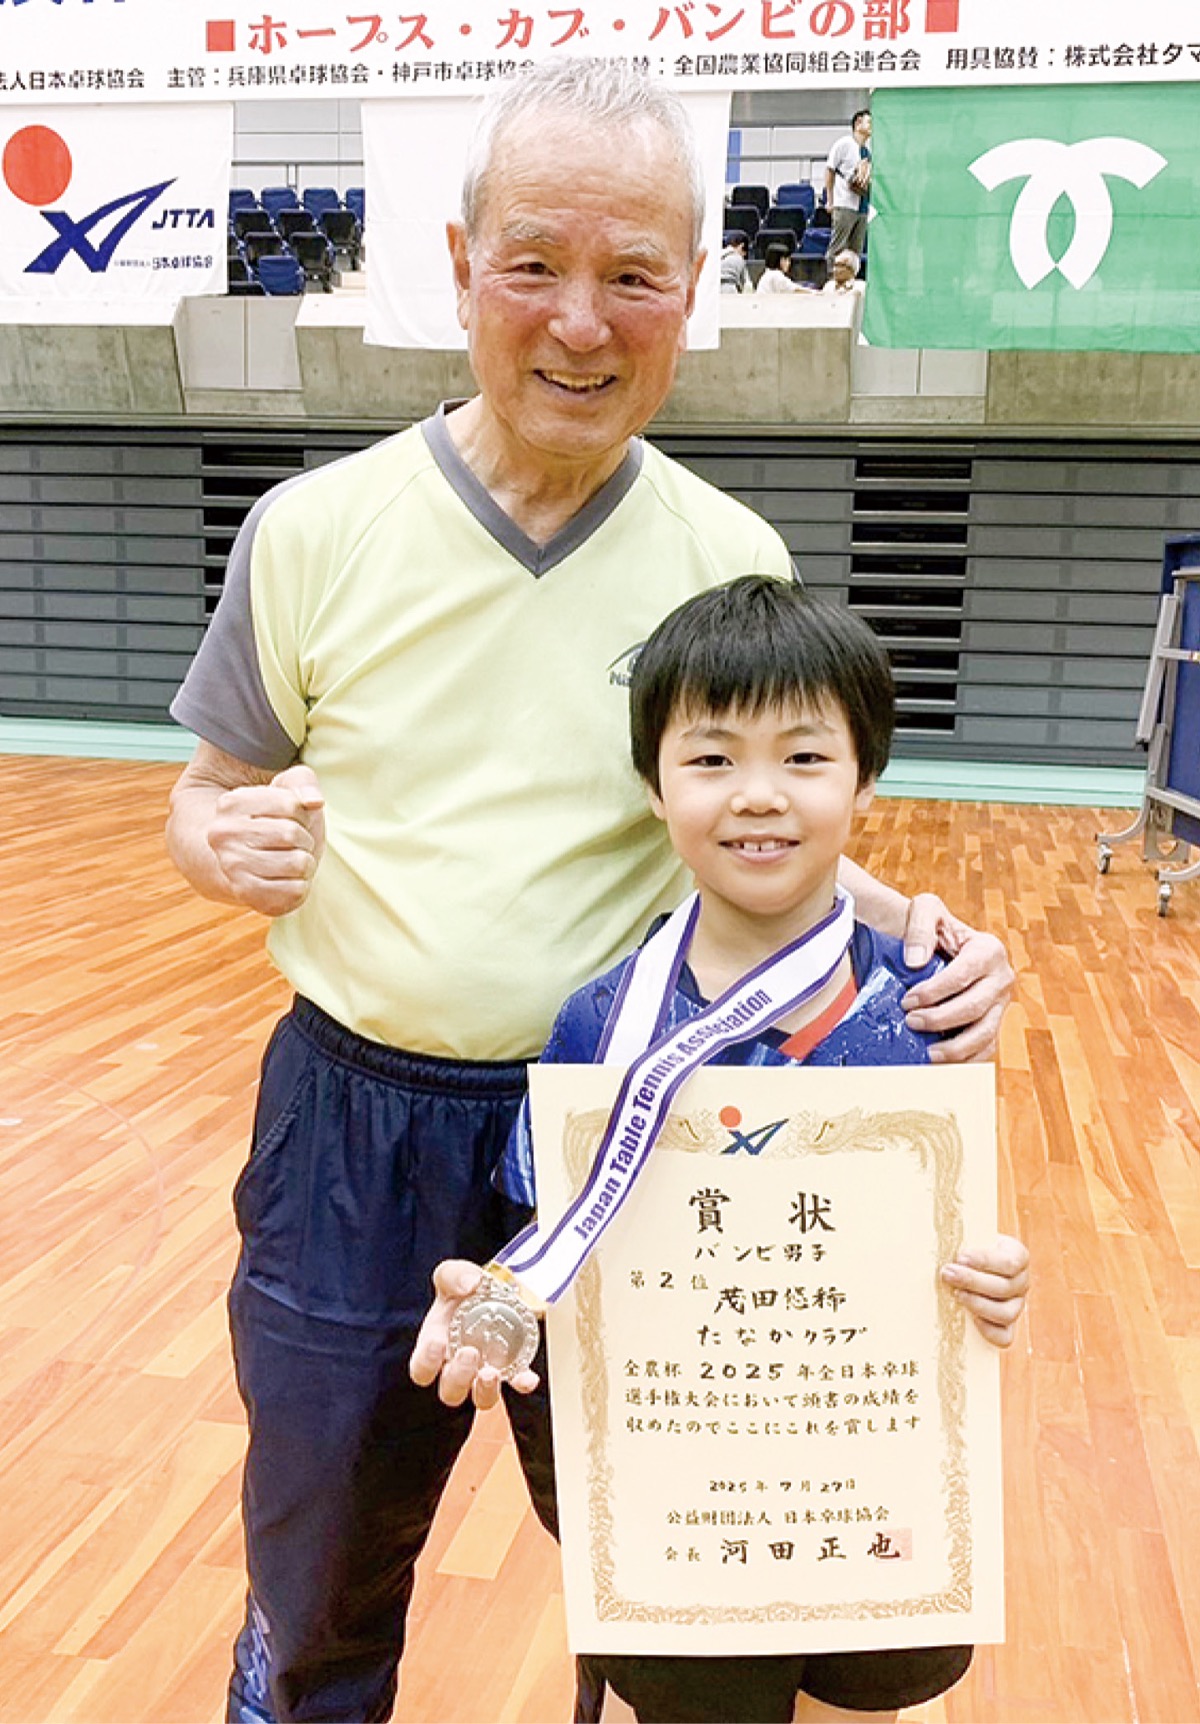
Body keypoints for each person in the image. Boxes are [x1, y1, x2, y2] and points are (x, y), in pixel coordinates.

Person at [165, 57, 1013, 1724]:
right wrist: (222, 840)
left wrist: (924, 930)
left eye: (634, 276)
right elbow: (207, 796)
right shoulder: (312, 528)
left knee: (681, 1568)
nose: (580, 321)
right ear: (463, 257)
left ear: (692, 296)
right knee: (322, 1556)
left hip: (637, 1115)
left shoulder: (732, 557)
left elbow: (762, 832)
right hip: (353, 1125)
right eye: (537, 262)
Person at [412, 576, 1030, 1724]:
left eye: (804, 758)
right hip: (682, 1506)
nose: (758, 797)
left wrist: (992, 1285)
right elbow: (542, 1246)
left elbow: (954, 1241)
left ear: (865, 780)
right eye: (710, 760)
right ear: (655, 786)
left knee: (870, 1699)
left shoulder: (927, 1011)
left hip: (861, 1483)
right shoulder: (601, 1025)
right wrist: (490, 1303)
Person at [824, 108, 872, 270]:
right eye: (869, 122)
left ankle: (849, 283)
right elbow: (830, 169)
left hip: (862, 207)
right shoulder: (844, 143)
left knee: (855, 253)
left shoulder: (867, 153)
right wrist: (830, 201)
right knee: (838, 248)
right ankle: (832, 280)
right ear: (858, 123)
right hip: (844, 204)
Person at [719, 228, 750, 293]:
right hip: (731, 291)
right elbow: (746, 284)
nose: (744, 256)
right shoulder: (739, 258)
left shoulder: (717, 257)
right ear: (742, 246)